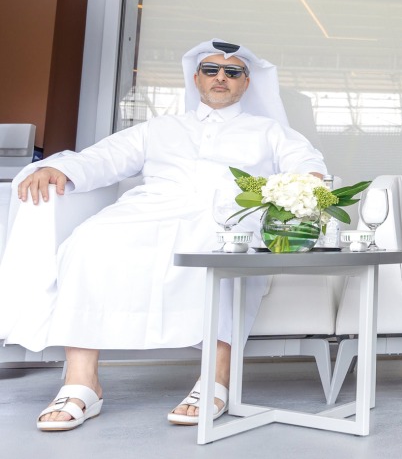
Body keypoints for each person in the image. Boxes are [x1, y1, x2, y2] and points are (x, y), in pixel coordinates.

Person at [0, 39, 327, 431]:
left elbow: (306, 164)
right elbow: (102, 158)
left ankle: (215, 378)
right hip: (149, 209)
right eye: (211, 70)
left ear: (246, 83)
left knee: (223, 250)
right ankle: (81, 382)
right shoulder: (160, 127)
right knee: (87, 242)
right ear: (196, 79)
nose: (221, 77)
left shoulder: (270, 131)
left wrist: (308, 181)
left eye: (232, 72)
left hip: (226, 215)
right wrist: (62, 171)